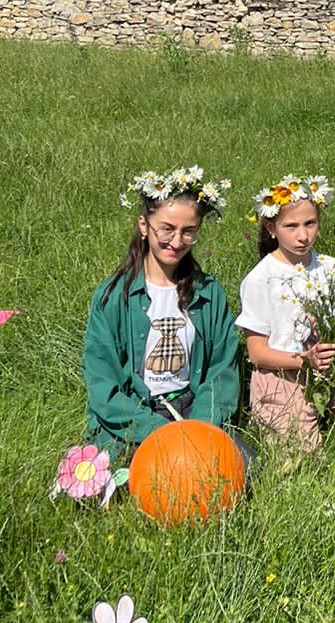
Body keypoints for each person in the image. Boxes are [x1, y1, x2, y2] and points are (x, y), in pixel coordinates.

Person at [83, 167, 239, 455]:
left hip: (193, 409)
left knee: (238, 472)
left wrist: (197, 430)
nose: (177, 242)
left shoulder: (209, 293)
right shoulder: (113, 297)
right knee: (102, 483)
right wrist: (160, 433)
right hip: (136, 416)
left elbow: (221, 372)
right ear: (144, 225)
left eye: (188, 231)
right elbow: (104, 385)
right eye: (166, 229)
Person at [235, 174, 335, 454]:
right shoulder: (262, 278)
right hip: (280, 376)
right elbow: (257, 353)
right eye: (291, 226)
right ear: (272, 228)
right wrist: (305, 361)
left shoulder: (330, 268)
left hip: (327, 373)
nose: (303, 235)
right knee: (305, 457)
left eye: (310, 223)